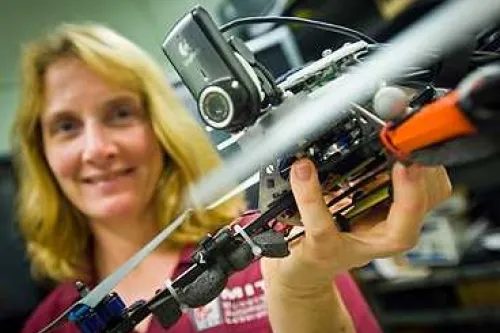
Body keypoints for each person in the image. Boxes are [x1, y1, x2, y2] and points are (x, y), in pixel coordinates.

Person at [14, 24, 451, 333]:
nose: (97, 149)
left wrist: (300, 290)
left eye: (120, 114)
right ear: (43, 153)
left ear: (161, 129)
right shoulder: (49, 322)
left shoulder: (282, 240)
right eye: (66, 126)